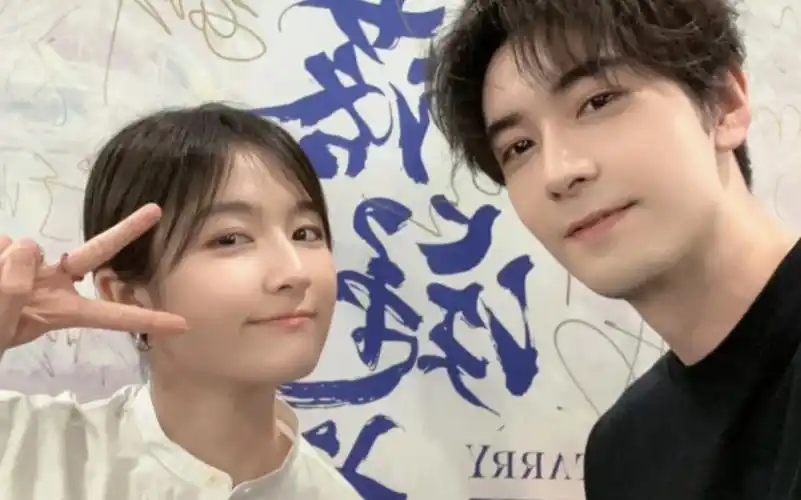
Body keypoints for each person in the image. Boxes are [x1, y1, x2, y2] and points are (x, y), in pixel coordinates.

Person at [426, 0, 801, 498]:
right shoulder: (625, 451)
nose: (558, 172)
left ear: (723, 103)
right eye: (519, 147)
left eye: (598, 101)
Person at [0, 103, 362, 499]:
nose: (295, 272)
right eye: (230, 238)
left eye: (305, 233)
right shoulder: (25, 452)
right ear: (128, 297)